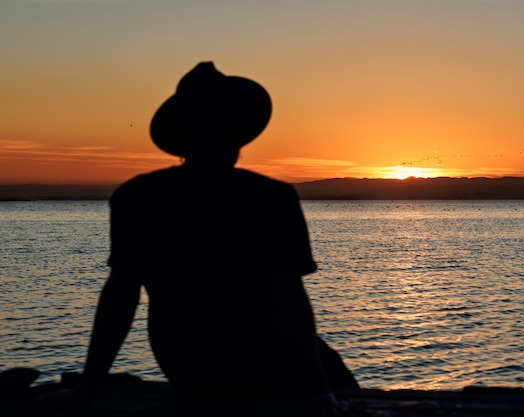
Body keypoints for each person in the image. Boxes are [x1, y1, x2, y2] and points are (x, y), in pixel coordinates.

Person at [64, 62, 357, 413]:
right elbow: (289, 300)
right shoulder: (270, 197)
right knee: (341, 383)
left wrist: (88, 388)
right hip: (264, 361)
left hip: (186, 365)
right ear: (237, 136)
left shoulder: (137, 195)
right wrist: (320, 394)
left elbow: (120, 297)